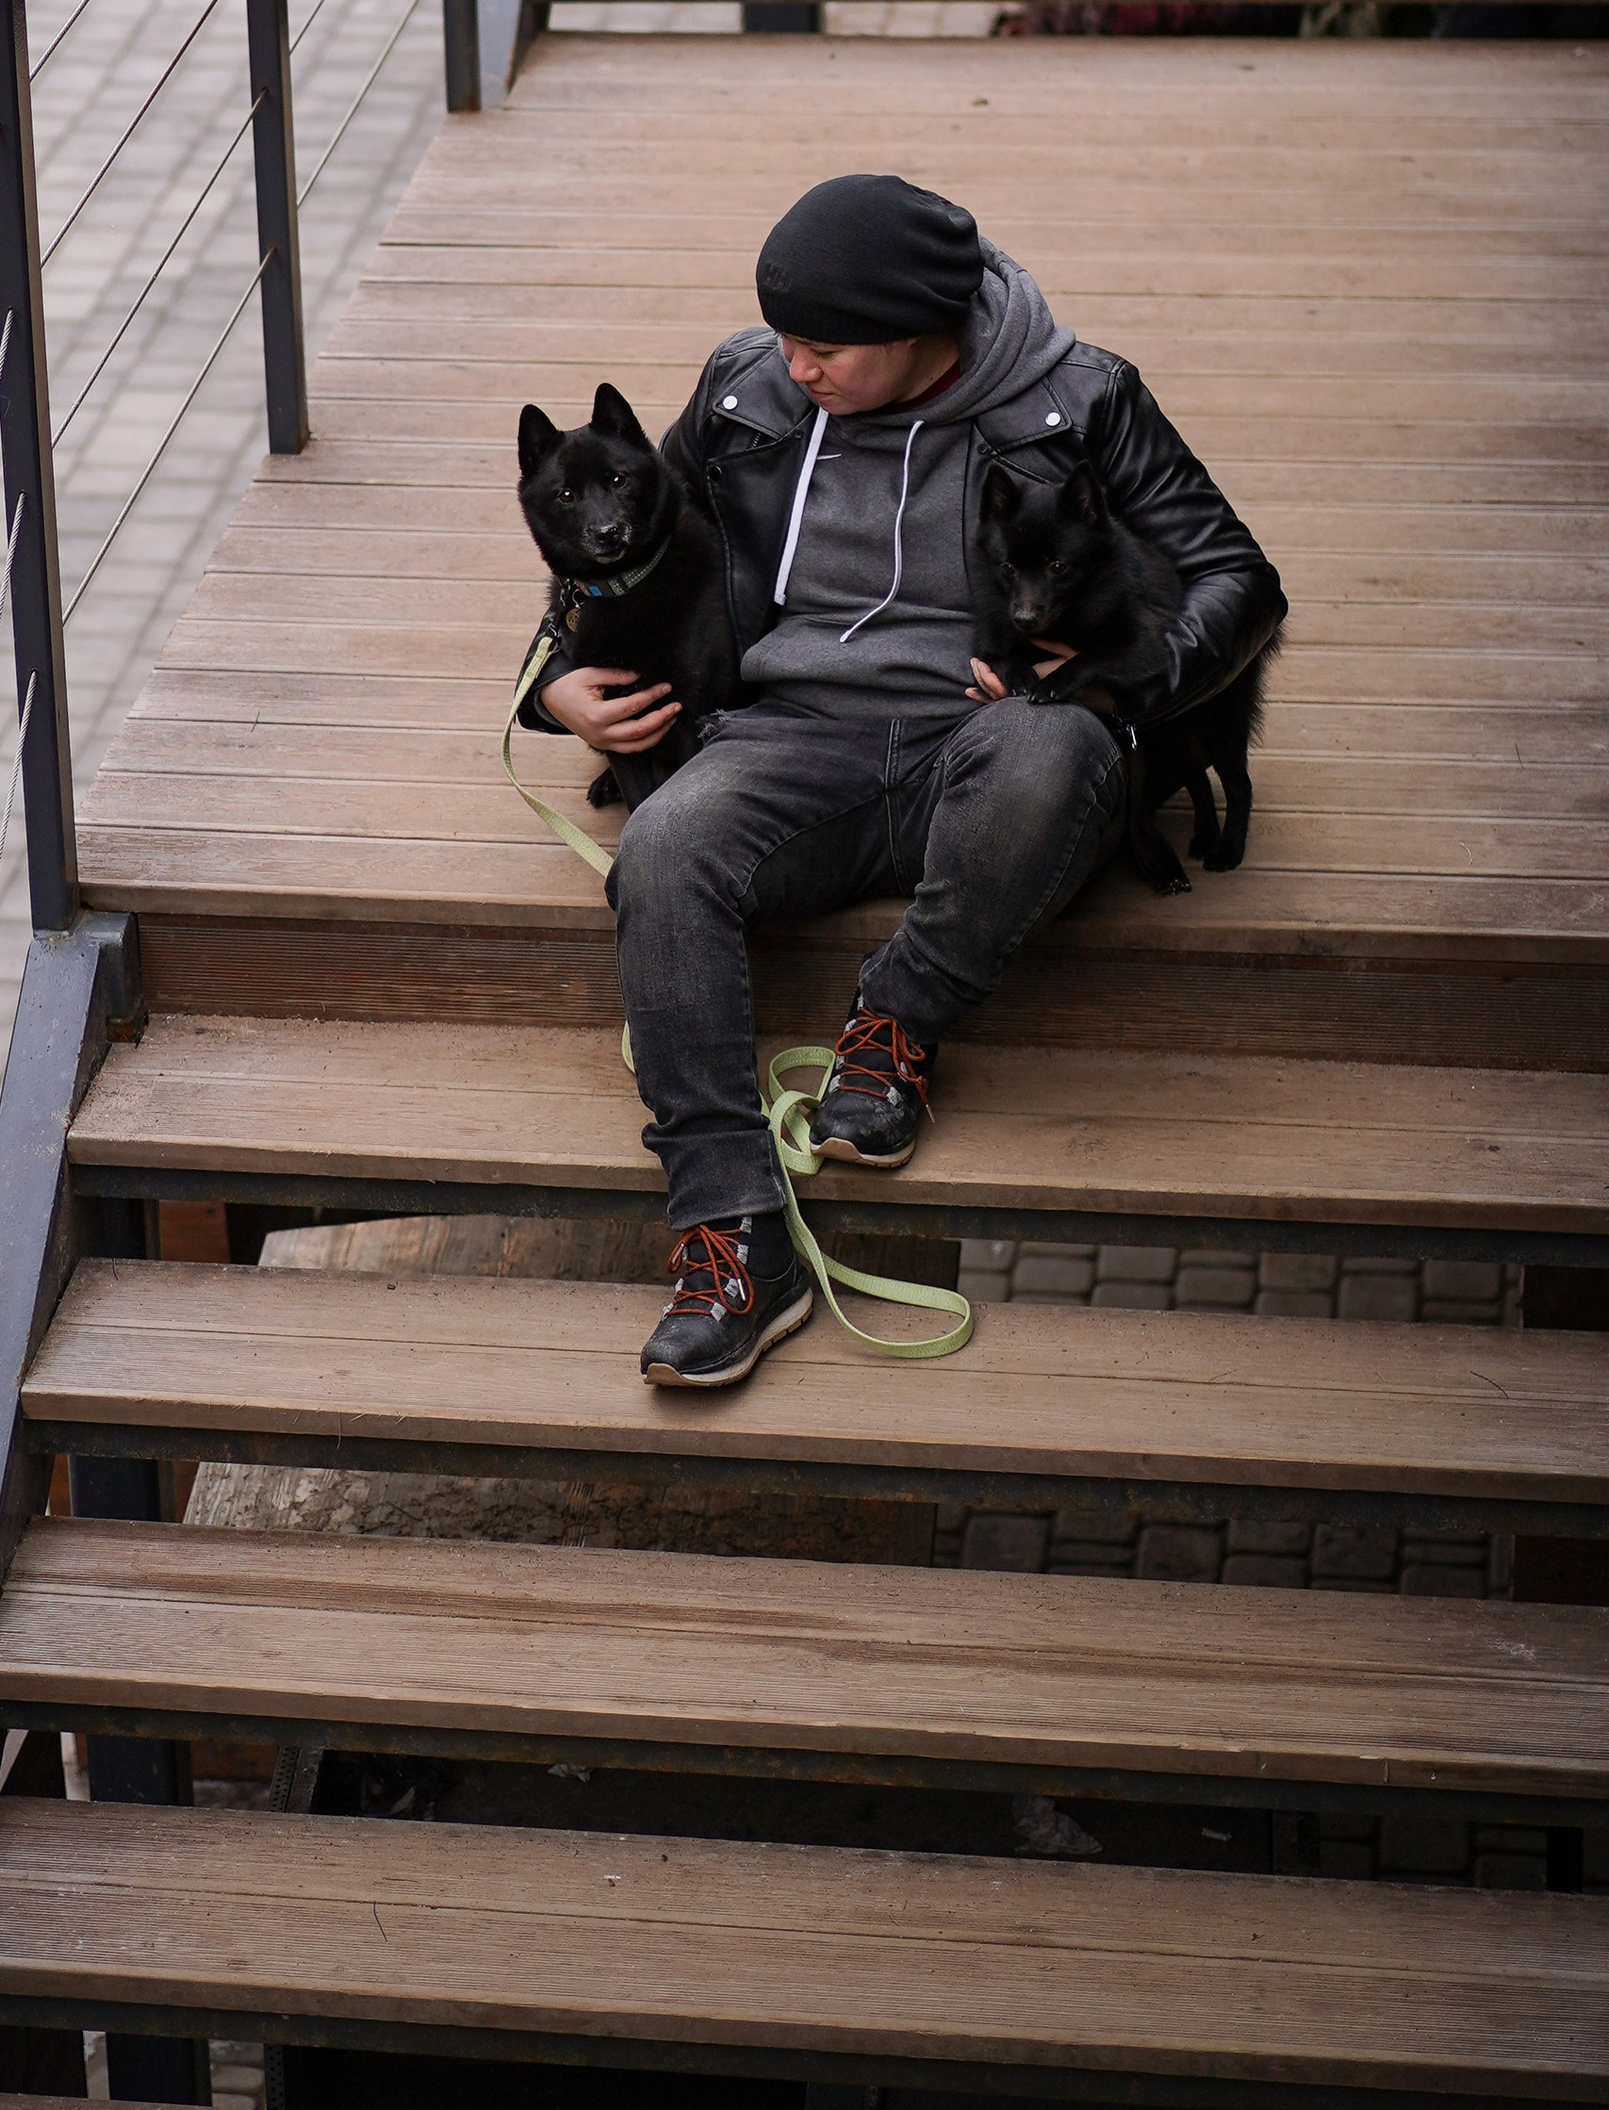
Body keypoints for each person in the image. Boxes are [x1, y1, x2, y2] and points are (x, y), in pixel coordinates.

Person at [526, 172, 1283, 1391]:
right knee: (662, 847)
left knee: (1052, 753)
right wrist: (553, 678)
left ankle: (895, 1024)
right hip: (788, 733)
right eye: (783, 338)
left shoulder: (1081, 400)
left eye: (824, 347)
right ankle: (731, 1235)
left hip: (991, 728)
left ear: (922, 325)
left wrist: (1117, 681)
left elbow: (1238, 579)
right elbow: (634, 532)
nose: (795, 367)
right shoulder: (747, 391)